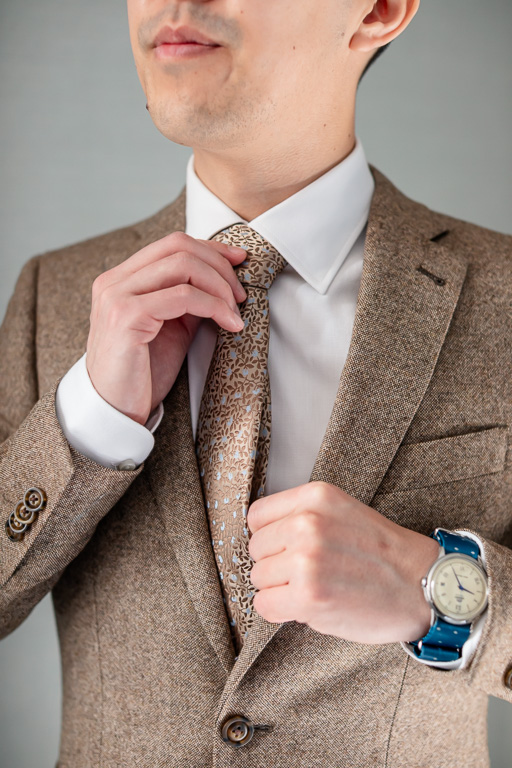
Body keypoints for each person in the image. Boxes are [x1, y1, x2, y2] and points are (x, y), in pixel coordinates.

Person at [0, 0, 510, 765]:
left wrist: (434, 592)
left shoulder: (503, 295)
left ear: (378, 11)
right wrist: (88, 421)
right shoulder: (57, 292)